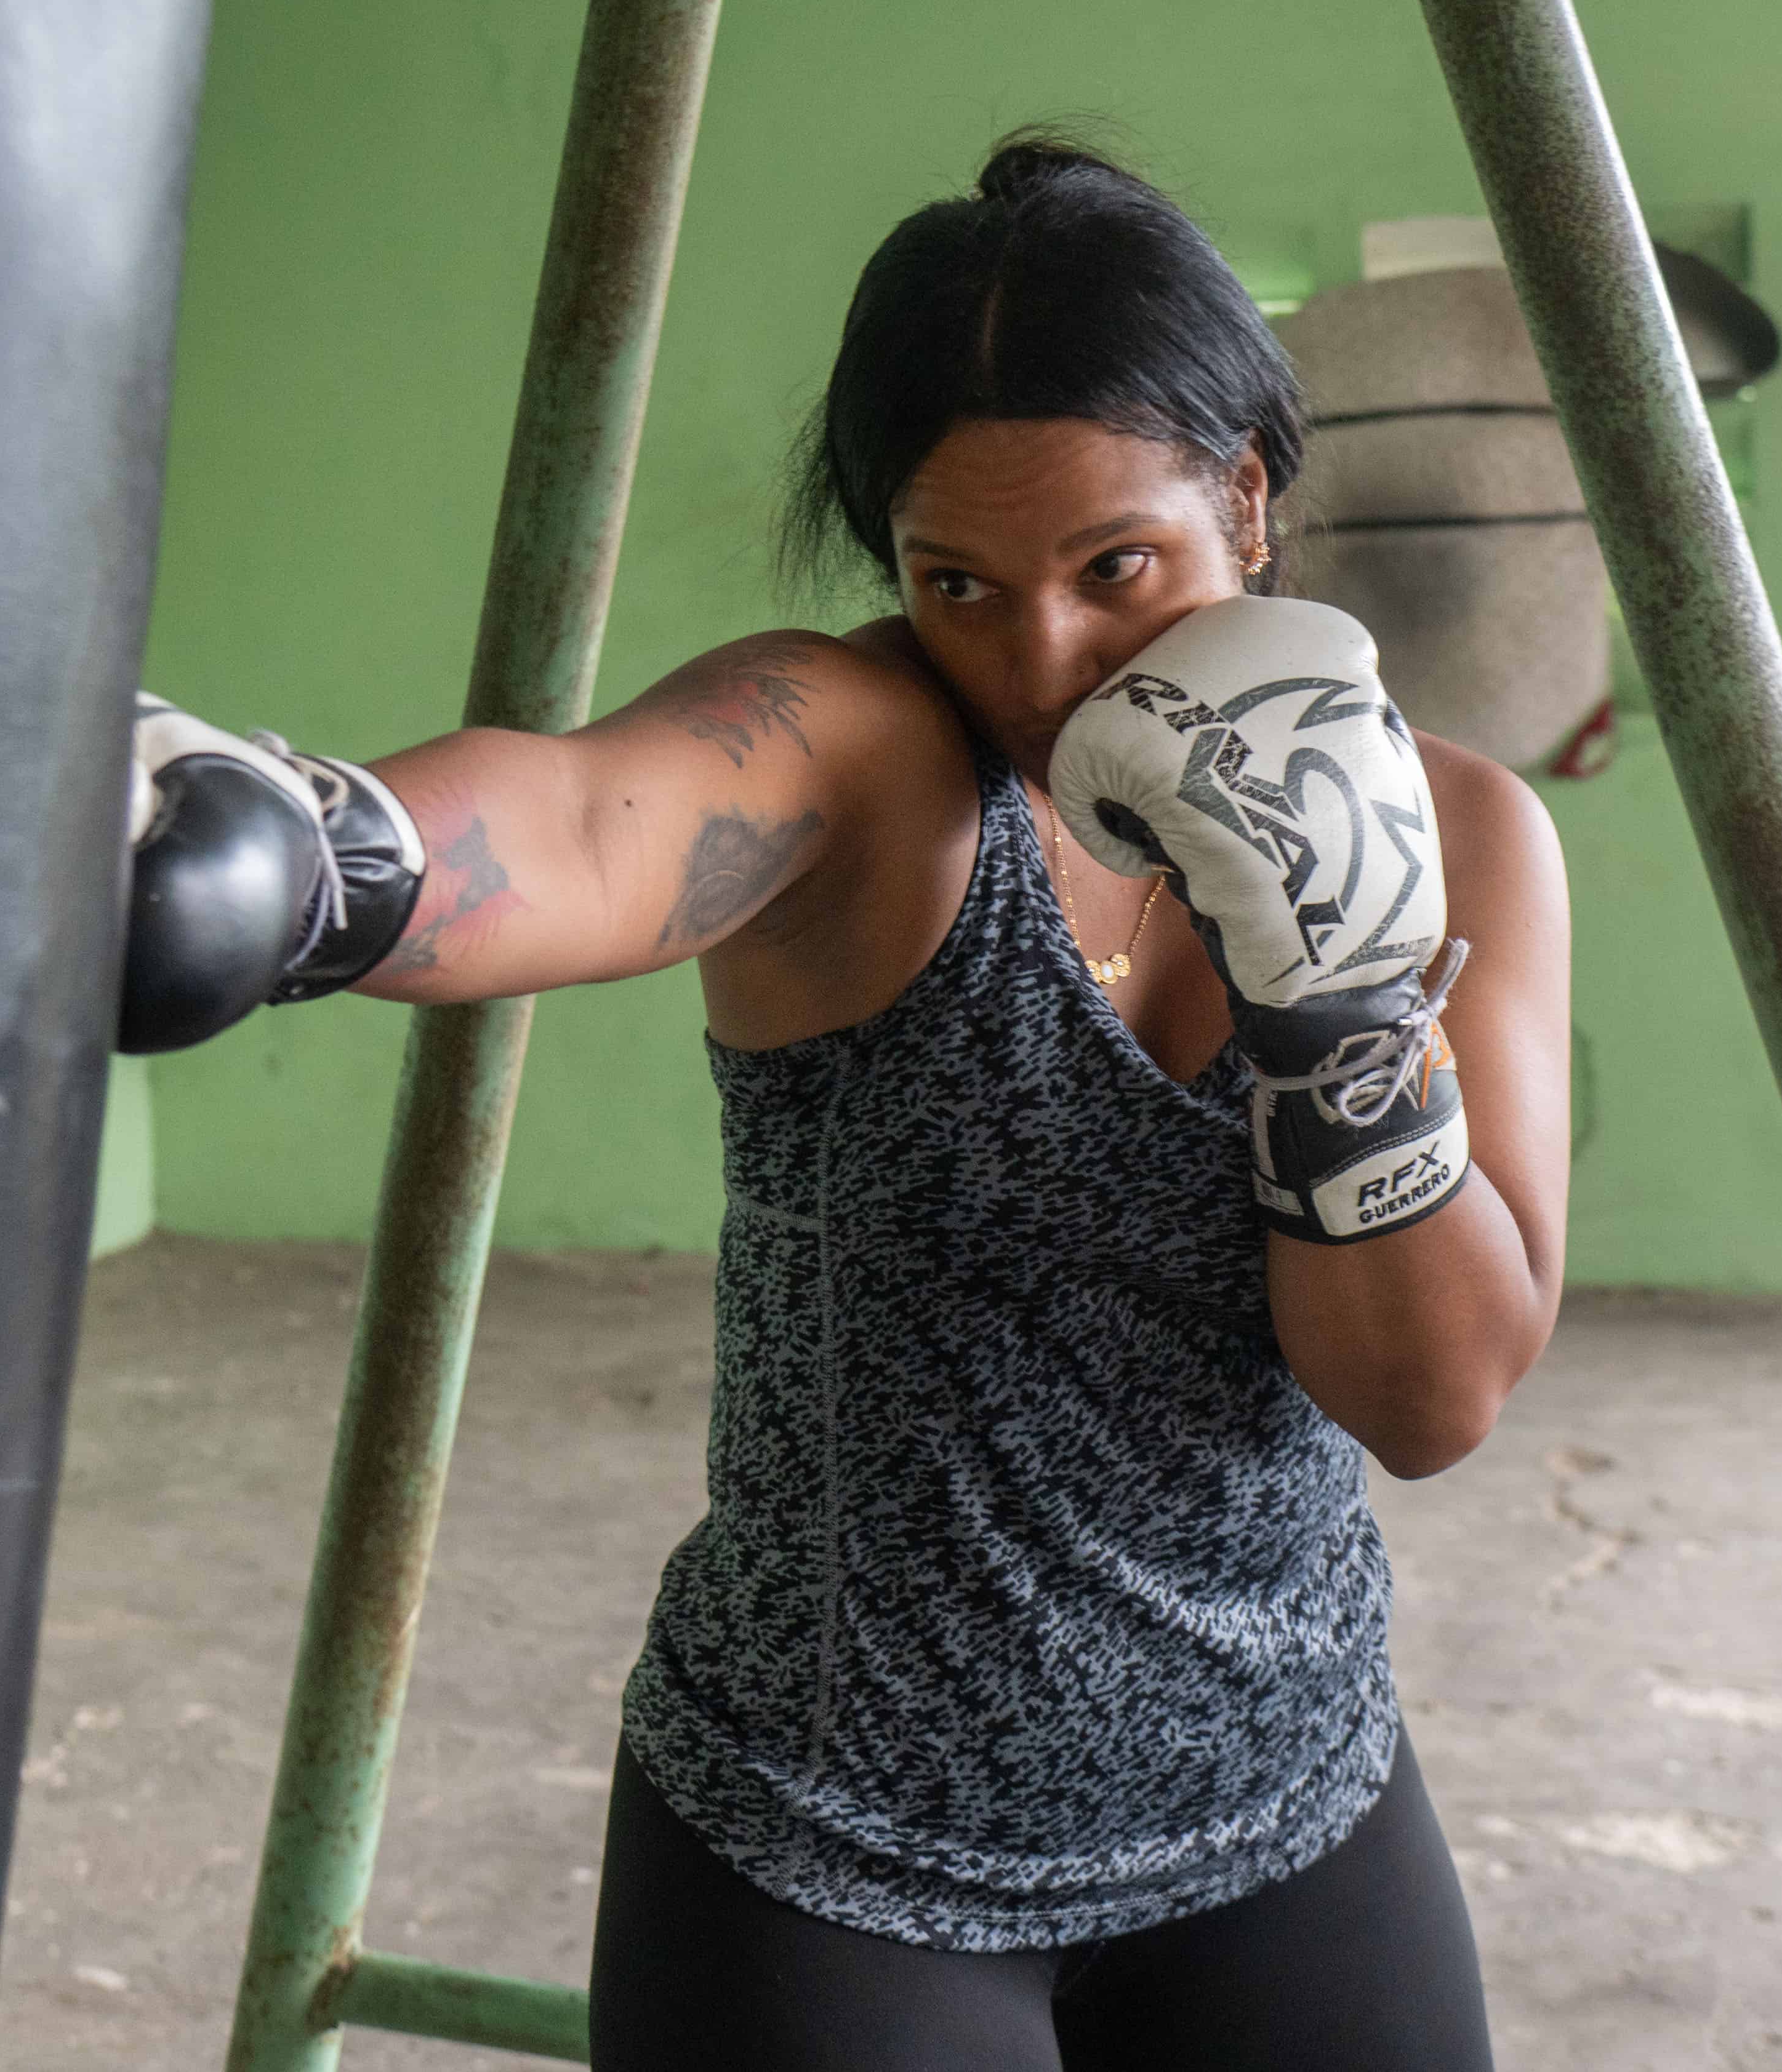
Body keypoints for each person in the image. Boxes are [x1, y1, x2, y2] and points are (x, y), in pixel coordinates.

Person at [124, 135, 1567, 2071]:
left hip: (1286, 1814)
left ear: (1248, 498)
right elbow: (580, 826)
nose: (1038, 660)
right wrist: (301, 856)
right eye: (955, 579)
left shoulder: (1462, 830)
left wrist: (1343, 1004)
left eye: (1114, 569)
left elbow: (1431, 1400)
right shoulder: (868, 761)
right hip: (836, 1861)